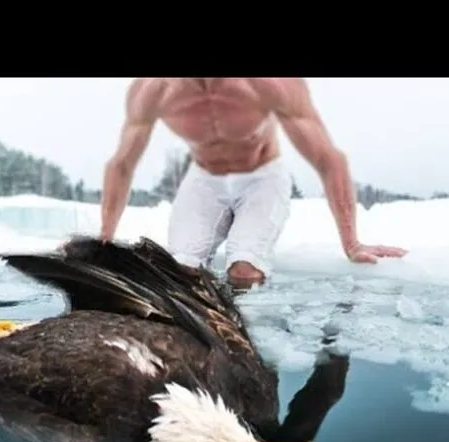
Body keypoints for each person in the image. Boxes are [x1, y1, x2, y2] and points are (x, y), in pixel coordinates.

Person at [97, 78, 408, 290]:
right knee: (179, 272)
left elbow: (329, 159)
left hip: (262, 178)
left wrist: (351, 243)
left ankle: (241, 337)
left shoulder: (267, 83)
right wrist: (104, 239)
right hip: (204, 180)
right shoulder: (152, 90)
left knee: (244, 272)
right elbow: (122, 164)